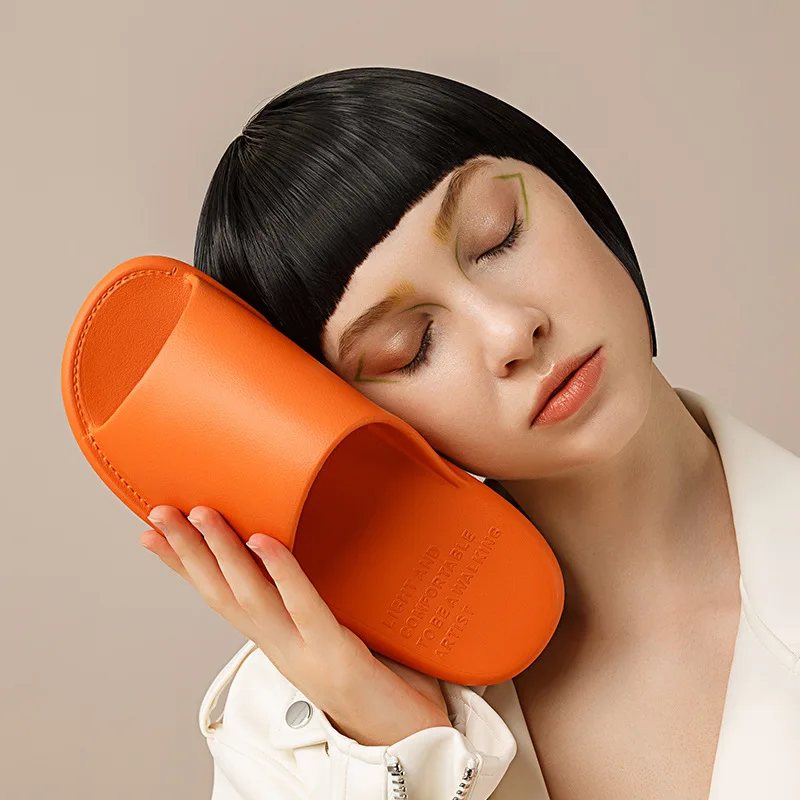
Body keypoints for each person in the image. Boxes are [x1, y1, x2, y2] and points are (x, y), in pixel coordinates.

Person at [142, 66, 800, 799]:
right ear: (348, 419)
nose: (512, 330)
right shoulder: (297, 742)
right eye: (410, 347)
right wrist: (401, 754)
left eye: (498, 237)